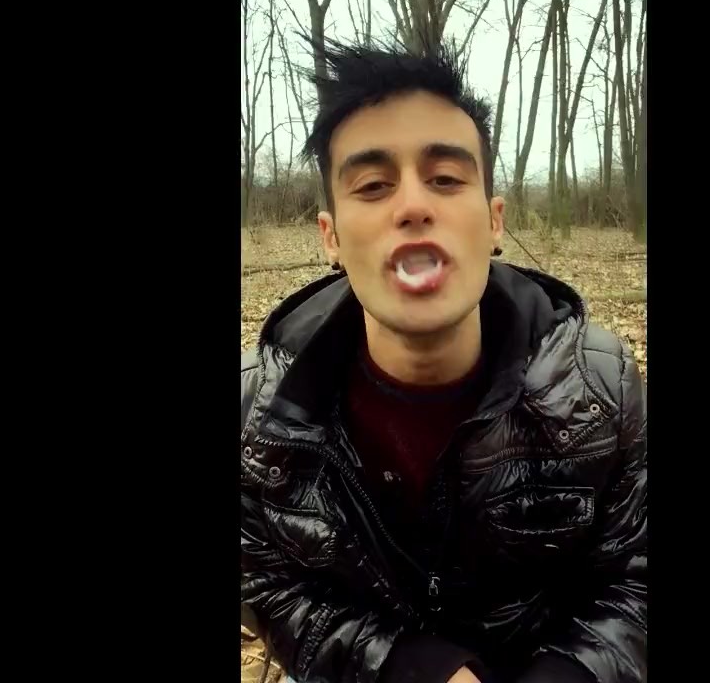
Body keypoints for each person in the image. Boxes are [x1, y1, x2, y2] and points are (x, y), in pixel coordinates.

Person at [240, 39, 647, 683]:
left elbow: (634, 578)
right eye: (373, 185)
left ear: (493, 221)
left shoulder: (601, 389)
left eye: (446, 179)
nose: (412, 206)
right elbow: (266, 579)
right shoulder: (258, 412)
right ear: (332, 237)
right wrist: (408, 667)